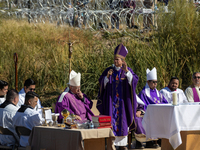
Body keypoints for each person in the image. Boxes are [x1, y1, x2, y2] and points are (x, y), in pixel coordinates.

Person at [97, 43, 139, 150]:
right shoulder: (108, 70)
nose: (115, 61)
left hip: (123, 104)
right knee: (111, 123)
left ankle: (123, 146)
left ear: (123, 61)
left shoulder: (127, 71)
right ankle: (111, 145)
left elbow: (134, 81)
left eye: (118, 59)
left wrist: (127, 72)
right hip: (111, 103)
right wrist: (106, 78)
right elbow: (101, 83)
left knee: (123, 123)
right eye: (115, 59)